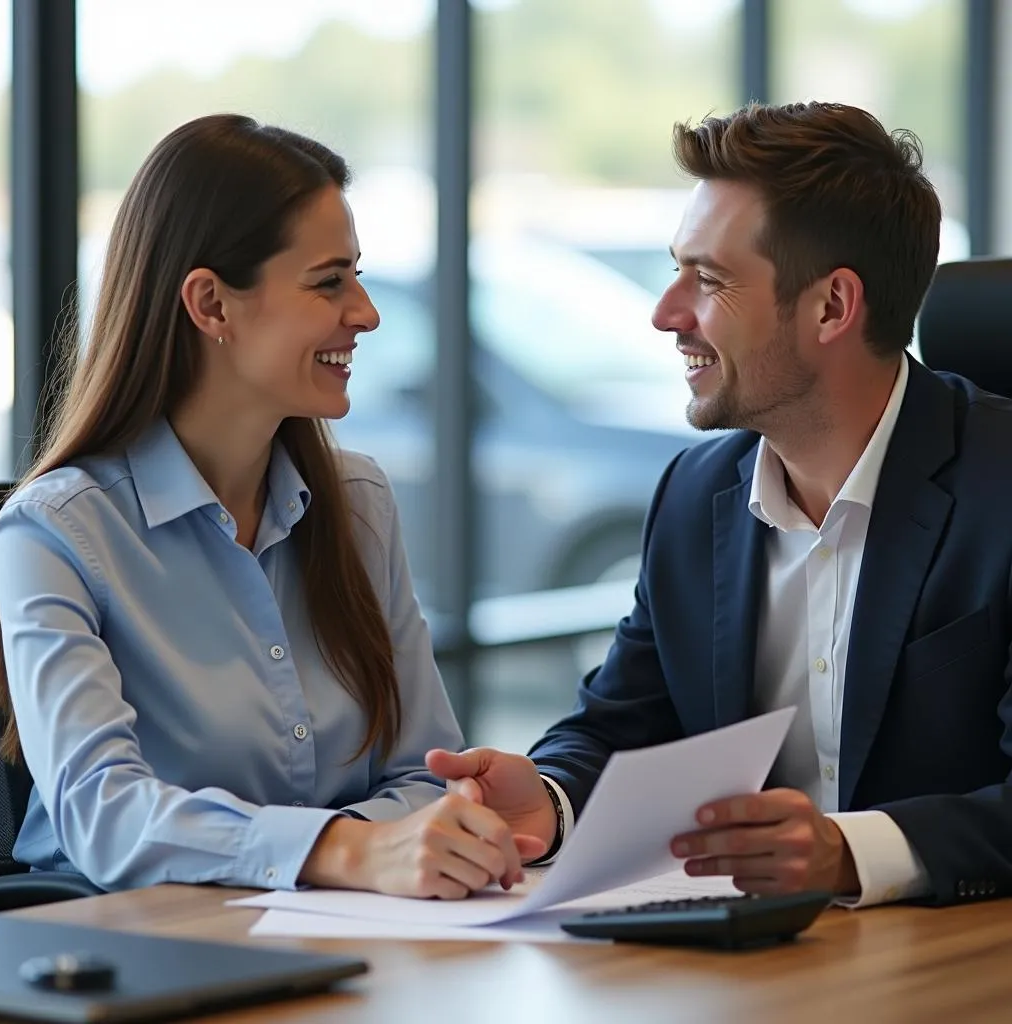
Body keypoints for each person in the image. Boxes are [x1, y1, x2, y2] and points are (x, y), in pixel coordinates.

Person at [428, 101, 1012, 908]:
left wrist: (849, 852)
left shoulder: (1000, 488)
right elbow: (620, 727)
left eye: (709, 279)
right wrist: (549, 801)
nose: (666, 313)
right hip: (755, 968)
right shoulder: (696, 493)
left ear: (832, 307)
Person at [0, 114, 543, 897]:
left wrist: (402, 842)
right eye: (329, 282)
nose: (366, 312)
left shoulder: (357, 505)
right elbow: (102, 814)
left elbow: (426, 773)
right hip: (134, 957)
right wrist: (349, 851)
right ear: (212, 304)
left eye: (357, 275)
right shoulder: (55, 532)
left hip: (347, 947)